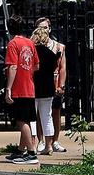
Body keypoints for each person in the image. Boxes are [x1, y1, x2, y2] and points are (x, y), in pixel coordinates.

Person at [3, 14, 39, 165]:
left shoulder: (13, 44)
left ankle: (31, 153)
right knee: (26, 120)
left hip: (18, 87)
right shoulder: (29, 43)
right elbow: (37, 65)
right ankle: (20, 149)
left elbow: (12, 66)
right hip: (29, 86)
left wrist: (8, 88)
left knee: (20, 120)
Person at [35, 16, 68, 153]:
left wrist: (61, 85)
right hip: (41, 83)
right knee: (39, 114)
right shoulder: (35, 46)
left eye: (46, 27)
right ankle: (41, 141)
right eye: (41, 27)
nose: (44, 30)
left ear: (50, 28)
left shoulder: (58, 46)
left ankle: (55, 141)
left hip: (53, 82)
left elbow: (62, 67)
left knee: (55, 112)